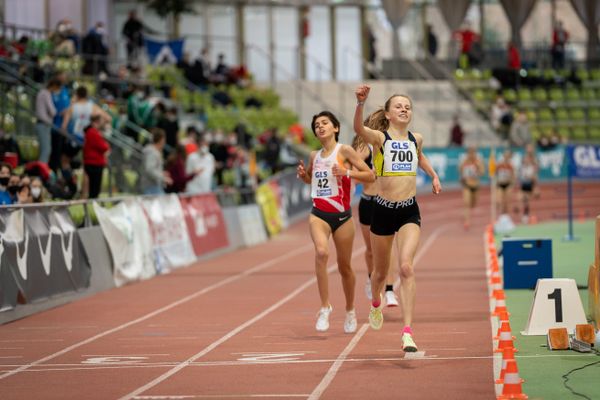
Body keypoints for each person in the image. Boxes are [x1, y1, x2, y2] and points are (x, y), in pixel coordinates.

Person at [353, 84, 442, 352]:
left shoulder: (417, 138)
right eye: (398, 106)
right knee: (380, 274)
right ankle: (376, 303)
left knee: (405, 268)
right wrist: (360, 104)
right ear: (389, 115)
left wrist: (433, 175)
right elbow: (359, 130)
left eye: (408, 106)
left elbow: (421, 157)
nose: (404, 109)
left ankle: (407, 332)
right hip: (382, 210)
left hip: (408, 211)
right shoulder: (380, 139)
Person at [296, 111, 375, 333]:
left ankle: (350, 310)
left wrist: (346, 172)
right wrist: (304, 177)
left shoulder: (346, 151)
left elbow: (370, 175)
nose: (320, 127)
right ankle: (325, 307)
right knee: (321, 253)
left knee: (345, 267)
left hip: (342, 216)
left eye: (324, 123)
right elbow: (312, 179)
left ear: (336, 128)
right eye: (316, 125)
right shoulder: (314, 155)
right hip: (318, 213)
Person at [352, 122, 399, 308]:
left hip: (386, 201)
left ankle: (389, 290)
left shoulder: (392, 145)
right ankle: (372, 278)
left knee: (388, 248)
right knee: (371, 250)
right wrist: (366, 174)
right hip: (368, 202)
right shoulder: (364, 147)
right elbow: (352, 167)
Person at [83, 114, 111, 199]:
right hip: (94, 163)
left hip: (94, 162)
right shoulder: (93, 132)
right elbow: (104, 147)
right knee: (94, 187)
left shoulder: (92, 132)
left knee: (94, 186)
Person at [140, 128, 172, 195]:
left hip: (153, 186)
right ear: (161, 139)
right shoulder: (152, 152)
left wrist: (162, 173)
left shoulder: (154, 152)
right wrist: (163, 178)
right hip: (151, 187)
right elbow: (150, 169)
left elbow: (152, 168)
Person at [459, 146, 485, 230]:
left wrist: (478, 168)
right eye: (470, 153)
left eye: (473, 153)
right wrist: (462, 179)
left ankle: (468, 215)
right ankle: (467, 221)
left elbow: (482, 173)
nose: (471, 155)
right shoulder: (464, 162)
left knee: (473, 204)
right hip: (467, 185)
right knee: (466, 203)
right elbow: (461, 172)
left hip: (475, 185)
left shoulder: (478, 162)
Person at [35, 78, 59, 164]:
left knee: (44, 149)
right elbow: (53, 111)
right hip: (43, 124)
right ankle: (42, 171)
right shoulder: (46, 93)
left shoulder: (42, 92)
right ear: (54, 86)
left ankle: (41, 169)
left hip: (42, 124)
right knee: (46, 150)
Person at [518, 145, 538, 224]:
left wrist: (535, 187)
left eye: (528, 159)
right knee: (522, 200)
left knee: (526, 200)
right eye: (525, 159)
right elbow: (520, 177)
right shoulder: (522, 167)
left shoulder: (532, 166)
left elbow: (534, 177)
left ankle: (525, 216)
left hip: (529, 185)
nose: (527, 160)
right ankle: (524, 215)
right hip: (523, 185)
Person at [496, 149, 515, 215]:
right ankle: (501, 215)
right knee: (499, 201)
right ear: (504, 156)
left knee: (507, 202)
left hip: (508, 184)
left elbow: (513, 176)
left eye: (508, 156)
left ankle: (506, 216)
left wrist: (511, 183)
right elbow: (495, 174)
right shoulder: (499, 165)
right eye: (506, 155)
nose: (507, 157)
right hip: (500, 184)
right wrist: (497, 181)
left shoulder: (511, 166)